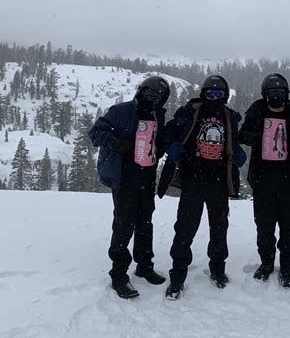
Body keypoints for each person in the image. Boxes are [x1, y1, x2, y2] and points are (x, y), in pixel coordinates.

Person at [159, 74, 246, 300]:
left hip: (218, 182)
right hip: (193, 180)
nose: (214, 97)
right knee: (185, 229)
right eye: (210, 93)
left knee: (219, 228)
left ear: (225, 96)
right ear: (203, 93)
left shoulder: (229, 117)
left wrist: (237, 154)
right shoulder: (190, 112)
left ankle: (218, 268)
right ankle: (178, 275)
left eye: (219, 94)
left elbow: (233, 144)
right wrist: (171, 147)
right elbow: (168, 131)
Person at [89, 76, 170, 299]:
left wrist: (163, 147)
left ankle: (144, 266)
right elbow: (95, 132)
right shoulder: (121, 111)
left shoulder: (158, 116)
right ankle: (118, 274)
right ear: (140, 91)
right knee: (124, 224)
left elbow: (158, 141)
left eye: (157, 97)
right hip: (124, 175)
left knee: (145, 222)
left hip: (147, 175)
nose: (152, 99)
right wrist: (114, 141)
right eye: (149, 94)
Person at [239, 73, 290, 287]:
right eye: (272, 93)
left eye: (280, 93)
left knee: (289, 228)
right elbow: (243, 134)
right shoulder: (257, 110)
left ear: (286, 94)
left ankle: (287, 268)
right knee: (264, 226)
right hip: (262, 178)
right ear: (265, 94)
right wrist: (256, 136)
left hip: (289, 179)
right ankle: (267, 263)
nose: (276, 97)